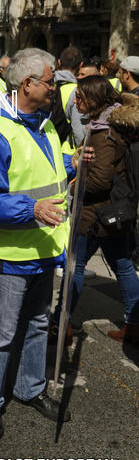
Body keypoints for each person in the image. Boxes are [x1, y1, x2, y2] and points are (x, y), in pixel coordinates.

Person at [0, 48, 81, 440]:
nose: (55, 87)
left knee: (36, 325)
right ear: (28, 84)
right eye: (50, 81)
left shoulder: (44, 124)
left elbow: (44, 168)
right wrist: (30, 209)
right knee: (0, 333)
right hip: (9, 255)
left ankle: (29, 389)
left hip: (44, 249)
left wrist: (73, 162)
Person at [51, 76, 139, 345]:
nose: (75, 102)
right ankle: (134, 325)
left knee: (74, 269)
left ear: (95, 99)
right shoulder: (117, 123)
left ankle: (59, 323)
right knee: (123, 265)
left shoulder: (104, 132)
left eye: (80, 97)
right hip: (116, 212)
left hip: (95, 216)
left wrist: (76, 183)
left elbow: (100, 180)